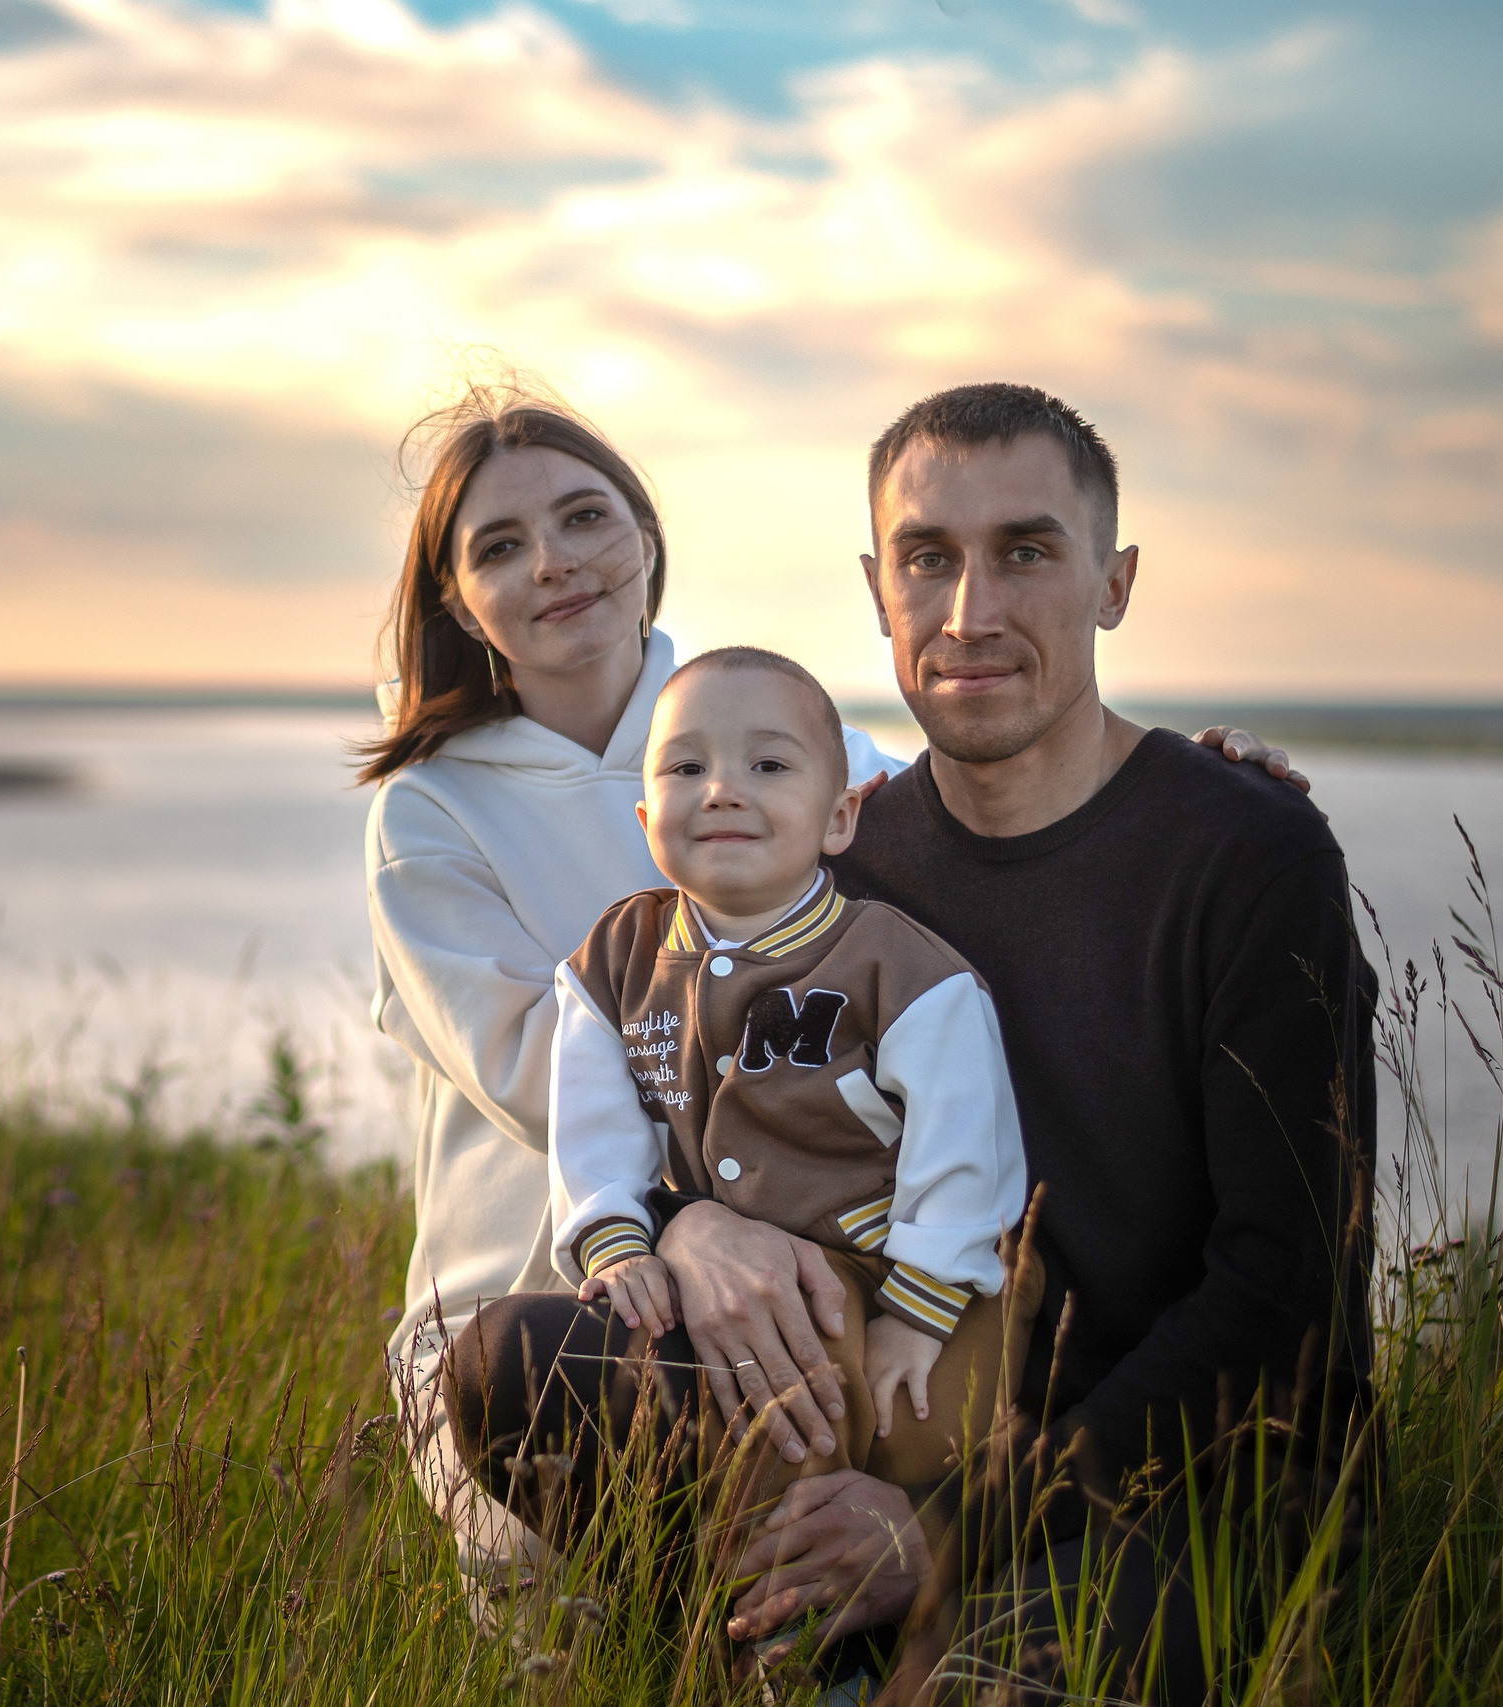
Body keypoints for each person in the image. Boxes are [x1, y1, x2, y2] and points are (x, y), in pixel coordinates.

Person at [456, 381, 1373, 1699]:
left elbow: (1283, 1294)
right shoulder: (848, 851)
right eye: (928, 559)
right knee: (514, 1365)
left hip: (1169, 1475)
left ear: (1114, 582)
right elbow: (671, 1094)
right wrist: (679, 1221)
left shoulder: (1249, 854)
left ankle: (881, 1638)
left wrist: (949, 1528)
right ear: (878, 591)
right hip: (902, 1415)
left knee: (964, 1688)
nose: (970, 612)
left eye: (1027, 551)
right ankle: (748, 1639)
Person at [462, 645, 1030, 1568]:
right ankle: (711, 1629)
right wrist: (617, 1235)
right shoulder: (616, 960)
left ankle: (796, 1636)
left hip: (878, 1267)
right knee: (657, 1387)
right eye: (687, 768)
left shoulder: (895, 964)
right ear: (647, 817)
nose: (722, 789)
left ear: (840, 815)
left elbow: (965, 1151)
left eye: (768, 765)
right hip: (714, 1275)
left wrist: (918, 1313)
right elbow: (595, 1131)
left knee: (786, 1410)